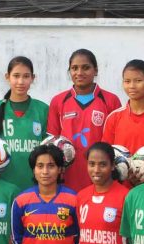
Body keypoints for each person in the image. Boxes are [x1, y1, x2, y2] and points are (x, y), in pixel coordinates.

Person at [47, 49, 122, 191]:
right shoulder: (58, 101)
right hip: (68, 176)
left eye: (86, 68)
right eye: (74, 68)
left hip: (99, 173)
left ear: (96, 70)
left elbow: (116, 145)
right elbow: (52, 143)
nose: (79, 73)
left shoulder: (110, 101)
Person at [0, 56, 48, 191]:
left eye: (26, 76)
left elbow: (50, 151)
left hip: (36, 186)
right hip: (2, 187)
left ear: (33, 78)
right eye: (16, 76)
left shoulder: (43, 110)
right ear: (7, 77)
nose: (21, 81)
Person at [101, 59, 144, 185]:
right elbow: (104, 155)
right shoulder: (114, 118)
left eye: (138, 81)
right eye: (127, 81)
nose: (132, 86)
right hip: (119, 188)